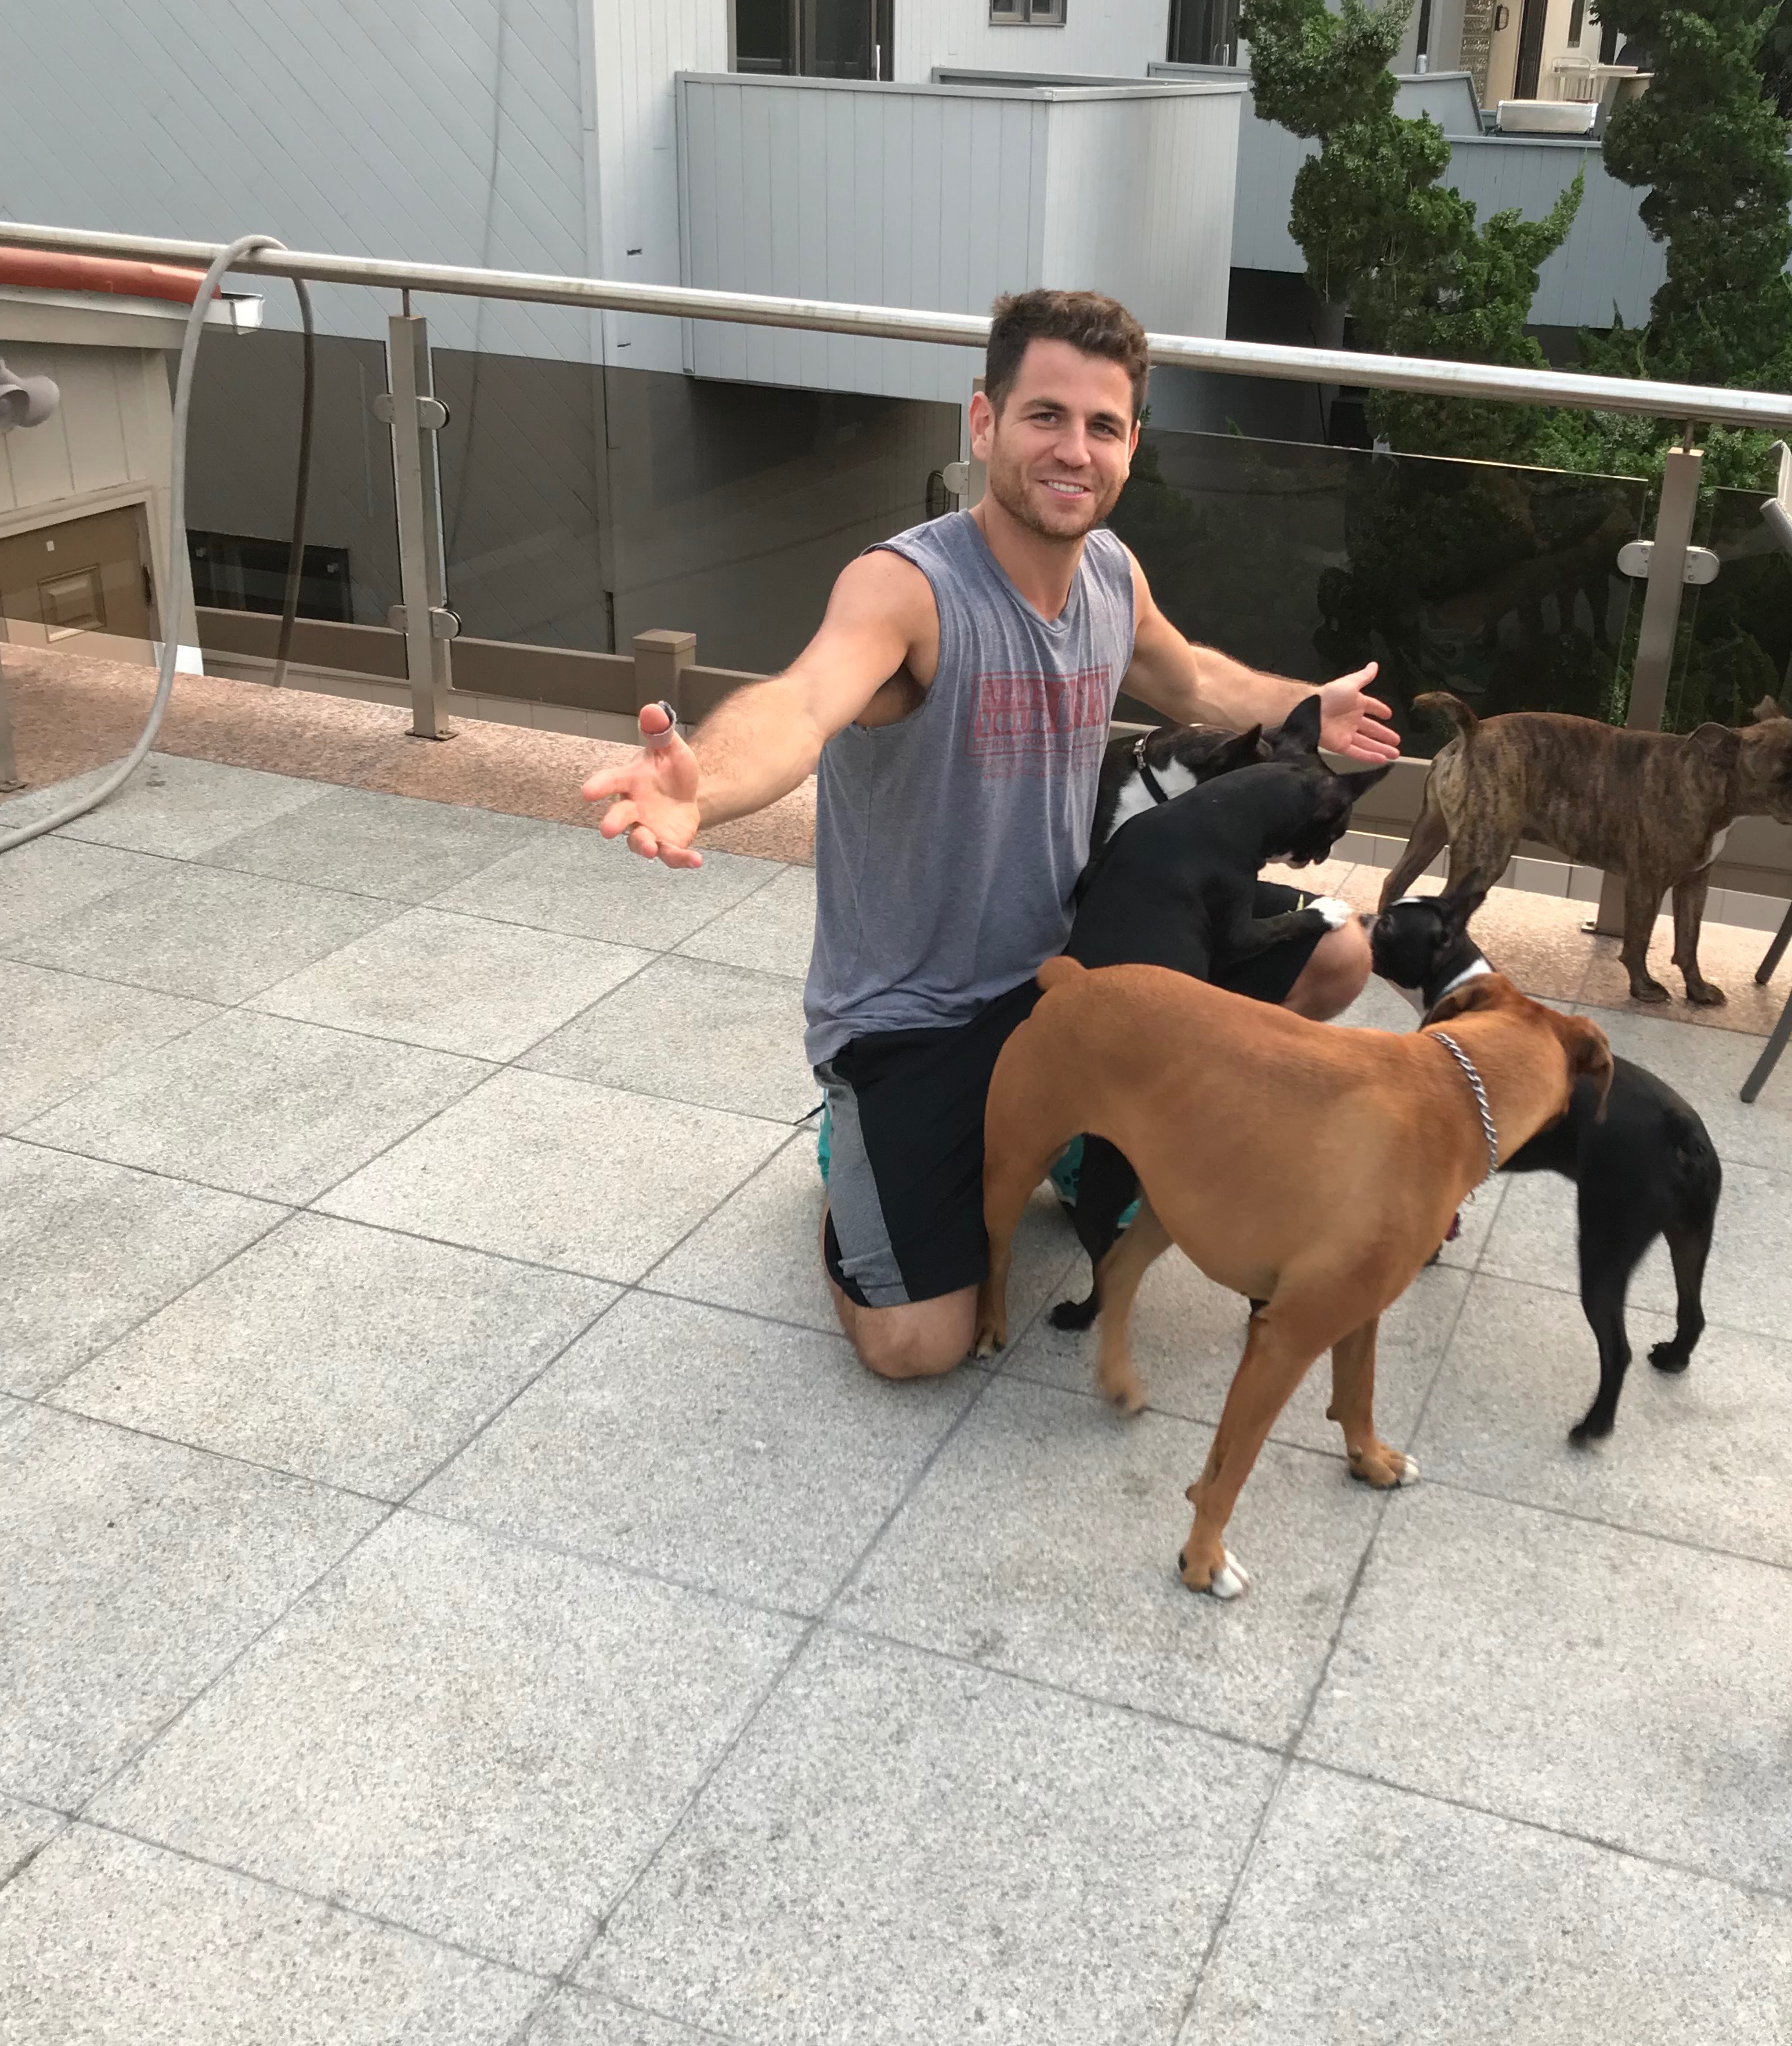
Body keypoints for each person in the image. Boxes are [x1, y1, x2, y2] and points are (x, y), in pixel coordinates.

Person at [583, 288, 1399, 1379]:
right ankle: (854, 1159)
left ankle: (1084, 1127)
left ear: (1131, 445)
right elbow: (805, 701)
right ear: (984, 422)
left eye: (1102, 426)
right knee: (919, 1345)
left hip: (1070, 970)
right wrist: (704, 784)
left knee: (1335, 954)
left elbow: (1197, 680)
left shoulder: (1111, 577)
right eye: (1044, 417)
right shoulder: (907, 589)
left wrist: (1305, 710)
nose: (1074, 450)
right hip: (916, 1014)